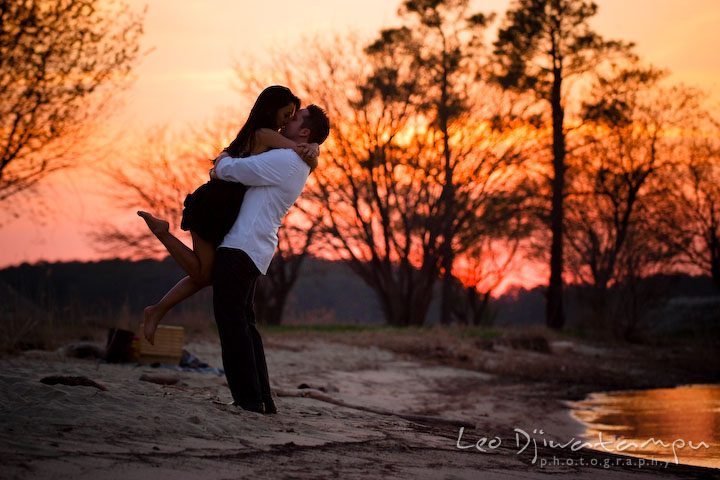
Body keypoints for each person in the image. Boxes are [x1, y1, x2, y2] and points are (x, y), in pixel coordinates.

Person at [137, 86, 318, 345]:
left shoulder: (261, 134)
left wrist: (313, 149)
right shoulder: (264, 134)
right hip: (212, 206)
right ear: (271, 109)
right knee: (205, 276)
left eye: (292, 116)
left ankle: (157, 309)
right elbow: (296, 150)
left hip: (223, 209)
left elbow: (294, 151)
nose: (288, 120)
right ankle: (162, 239)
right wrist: (313, 150)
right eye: (286, 114)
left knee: (206, 275)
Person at [210, 104, 330, 413]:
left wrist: (221, 160)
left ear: (304, 131)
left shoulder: (287, 159)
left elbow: (235, 171)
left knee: (232, 324)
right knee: (245, 325)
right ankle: (261, 398)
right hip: (253, 247)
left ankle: (248, 400)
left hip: (242, 246)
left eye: (296, 118)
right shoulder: (296, 159)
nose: (288, 120)